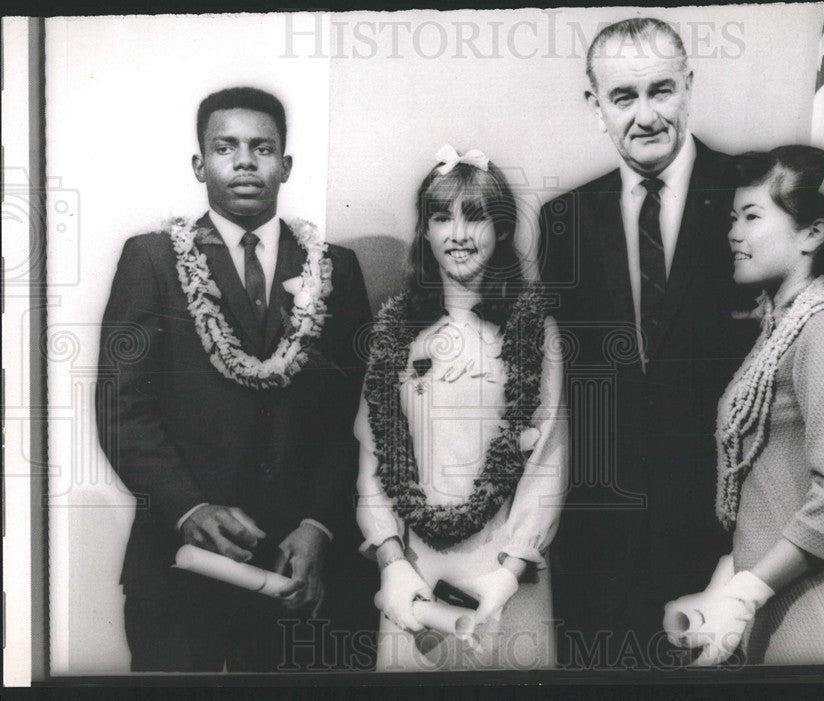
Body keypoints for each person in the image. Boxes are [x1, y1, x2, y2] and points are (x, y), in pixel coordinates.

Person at [536, 17, 824, 667]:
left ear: (689, 86)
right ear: (596, 108)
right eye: (623, 97)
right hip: (599, 557)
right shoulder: (562, 221)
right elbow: (553, 383)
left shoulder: (753, 196)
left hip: (733, 552)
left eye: (662, 90)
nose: (646, 114)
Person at [96, 87, 375, 672]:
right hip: (180, 567)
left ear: (285, 165)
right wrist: (189, 508)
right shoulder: (151, 261)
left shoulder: (335, 269)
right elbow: (122, 411)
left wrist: (319, 525)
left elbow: (353, 418)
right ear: (200, 164)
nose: (245, 161)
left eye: (262, 147)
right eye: (226, 147)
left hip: (296, 566)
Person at [664, 144, 824, 665]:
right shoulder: (783, 328)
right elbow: (770, 488)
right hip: (784, 619)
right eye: (733, 218)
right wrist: (724, 586)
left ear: (812, 234)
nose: (734, 233)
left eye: (751, 217)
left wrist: (745, 592)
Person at [354, 146, 568, 671]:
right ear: (425, 231)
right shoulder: (395, 333)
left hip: (506, 573)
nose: (458, 233)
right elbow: (374, 462)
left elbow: (549, 463)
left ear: (500, 229)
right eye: (442, 216)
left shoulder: (532, 330)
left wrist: (510, 570)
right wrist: (390, 560)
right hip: (415, 570)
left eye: (476, 217)